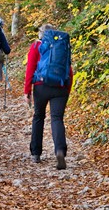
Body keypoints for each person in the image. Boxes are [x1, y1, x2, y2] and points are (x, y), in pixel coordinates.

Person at [24, 23, 73, 169]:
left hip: (41, 87)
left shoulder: (36, 46)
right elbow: (69, 70)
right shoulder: (62, 46)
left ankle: (36, 153)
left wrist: (27, 91)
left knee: (39, 117)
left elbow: (30, 68)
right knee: (57, 118)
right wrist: (67, 89)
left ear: (41, 33)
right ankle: (59, 151)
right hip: (61, 87)